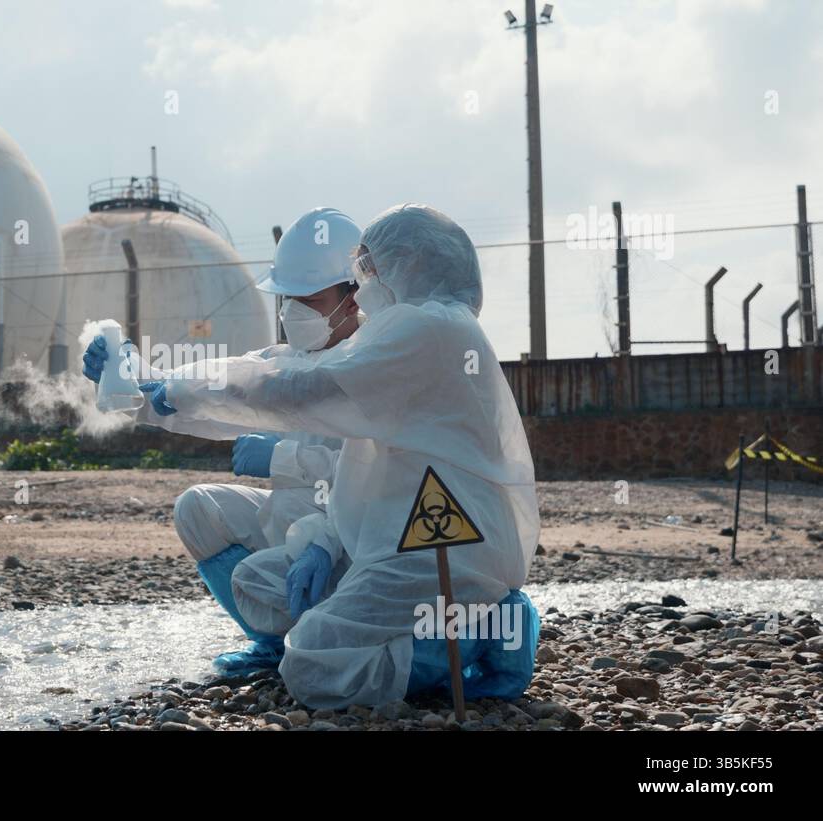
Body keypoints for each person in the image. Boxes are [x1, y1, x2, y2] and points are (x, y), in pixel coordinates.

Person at [130, 203, 540, 709]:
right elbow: (269, 379)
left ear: (404, 267)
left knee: (310, 670)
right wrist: (151, 393)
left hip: (441, 547)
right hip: (390, 541)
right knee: (265, 591)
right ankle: (450, 629)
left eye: (367, 268)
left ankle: (486, 629)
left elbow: (299, 391)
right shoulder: (406, 331)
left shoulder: (427, 331)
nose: (363, 281)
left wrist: (182, 392)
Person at [82, 207, 361, 675]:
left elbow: (382, 472)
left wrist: (283, 459)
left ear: (352, 297)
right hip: (296, 524)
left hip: (355, 539)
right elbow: (208, 395)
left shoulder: (377, 364)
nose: (291, 309)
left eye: (306, 296)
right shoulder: (284, 361)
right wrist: (135, 378)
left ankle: (330, 635)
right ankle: (271, 643)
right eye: (285, 296)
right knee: (199, 508)